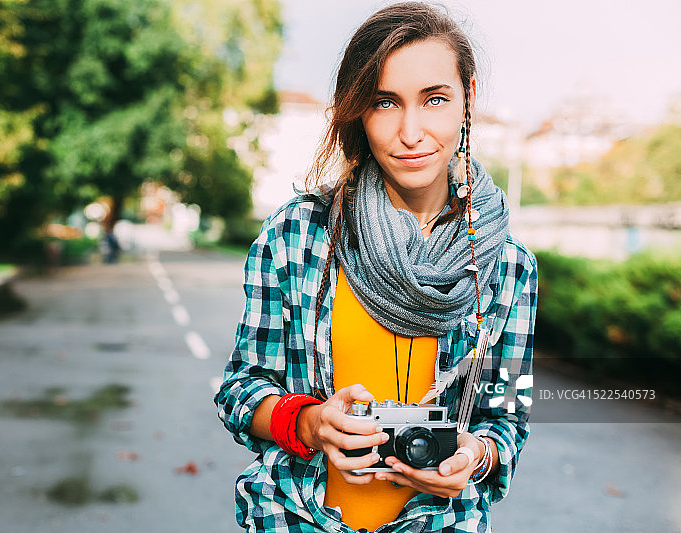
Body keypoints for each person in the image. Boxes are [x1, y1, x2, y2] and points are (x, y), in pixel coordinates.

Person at [215, 3, 537, 532]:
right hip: (293, 517)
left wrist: (471, 458)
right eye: (386, 103)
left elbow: (504, 422)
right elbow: (241, 389)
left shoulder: (507, 266)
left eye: (435, 100)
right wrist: (312, 423)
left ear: (467, 101)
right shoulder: (298, 236)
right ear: (359, 112)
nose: (411, 132)